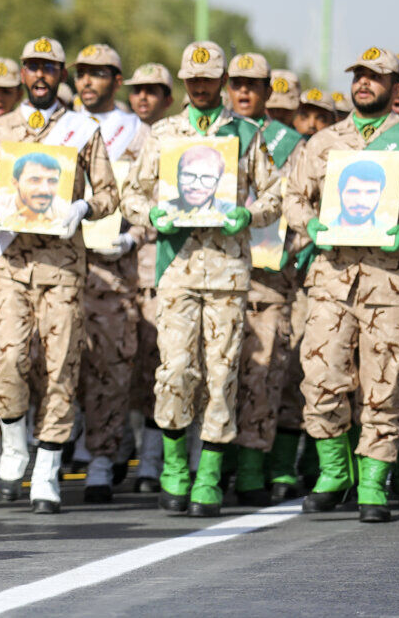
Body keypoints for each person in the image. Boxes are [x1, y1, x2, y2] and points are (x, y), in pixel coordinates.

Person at [121, 40, 281, 518]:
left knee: (222, 370)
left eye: (210, 77)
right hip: (176, 268)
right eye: (193, 77)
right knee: (173, 370)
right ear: (184, 80)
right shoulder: (164, 133)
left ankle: (209, 473)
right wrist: (152, 215)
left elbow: (275, 193)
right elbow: (132, 193)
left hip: (229, 270)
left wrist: (248, 214)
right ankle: (174, 465)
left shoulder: (245, 135)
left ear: (223, 81)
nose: (201, 84)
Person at [0, 36, 117, 513]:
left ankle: (47, 469)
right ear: (22, 73)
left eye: (50, 67)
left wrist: (82, 206)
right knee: (10, 359)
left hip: (62, 266)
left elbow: (109, 195)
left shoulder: (83, 130)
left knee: (61, 366)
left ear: (62, 74)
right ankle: (15, 443)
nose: (40, 75)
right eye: (32, 67)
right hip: (12, 263)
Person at [285, 46, 399, 523]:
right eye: (358, 75)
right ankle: (335, 470)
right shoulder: (325, 141)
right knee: (320, 376)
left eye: (375, 77)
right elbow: (293, 196)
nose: (364, 83)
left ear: (395, 87)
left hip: (388, 280)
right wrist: (308, 224)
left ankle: (374, 479)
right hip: (331, 278)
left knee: (385, 381)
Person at [224, 53, 304, 506]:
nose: (244, 91)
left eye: (253, 84)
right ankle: (215, 463)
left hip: (269, 274)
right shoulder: (213, 133)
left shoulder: (293, 144)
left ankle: (254, 469)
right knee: (220, 370)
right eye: (236, 83)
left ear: (267, 91)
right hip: (216, 268)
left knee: (263, 373)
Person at [72, 43, 149, 503]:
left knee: (110, 368)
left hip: (114, 265)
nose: (88, 81)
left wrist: (135, 235)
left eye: (99, 74)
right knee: (58, 365)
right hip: (60, 262)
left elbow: (157, 194)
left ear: (116, 81)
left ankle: (102, 458)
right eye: (82, 73)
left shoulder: (139, 135)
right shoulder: (61, 128)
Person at [123, 62, 176, 492]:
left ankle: (155, 460)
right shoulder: (119, 135)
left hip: (167, 265)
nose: (143, 97)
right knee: (133, 366)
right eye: (137, 90)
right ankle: (132, 447)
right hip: (125, 268)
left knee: (165, 365)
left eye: (153, 91)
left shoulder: (179, 136)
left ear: (168, 97)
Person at [165, 145, 233, 221]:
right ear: (177, 176)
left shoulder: (231, 213)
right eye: (188, 175)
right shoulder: (162, 210)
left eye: (207, 177)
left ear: (219, 181)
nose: (195, 186)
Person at [330, 160, 386, 228]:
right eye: (353, 192)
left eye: (371, 192)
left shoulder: (390, 233)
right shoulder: (322, 232)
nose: (361, 202)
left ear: (380, 194)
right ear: (339, 192)